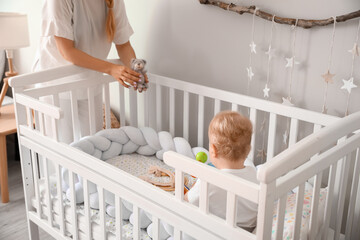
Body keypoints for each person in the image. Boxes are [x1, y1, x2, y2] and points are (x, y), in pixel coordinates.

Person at [32, 0, 146, 143]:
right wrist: (111, 69)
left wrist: (136, 70)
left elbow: (123, 45)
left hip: (90, 80)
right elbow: (67, 51)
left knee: (94, 145)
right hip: (56, 83)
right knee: (63, 147)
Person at [185, 111, 258, 231]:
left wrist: (196, 183)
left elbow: (185, 202)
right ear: (248, 149)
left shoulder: (210, 182)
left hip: (219, 234)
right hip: (246, 233)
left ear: (213, 150)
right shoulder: (254, 174)